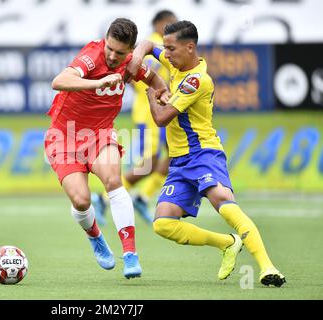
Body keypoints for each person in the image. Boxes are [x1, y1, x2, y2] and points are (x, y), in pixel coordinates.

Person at [127, 20, 286, 286]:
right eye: (165, 48)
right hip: (179, 161)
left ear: (190, 48)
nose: (165, 54)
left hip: (203, 154)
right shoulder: (174, 61)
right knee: (163, 224)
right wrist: (135, 61)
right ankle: (227, 243)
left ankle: (268, 268)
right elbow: (144, 44)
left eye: (171, 49)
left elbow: (162, 118)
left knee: (223, 202)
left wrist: (153, 96)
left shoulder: (197, 80)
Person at [45, 18, 169, 279]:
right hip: (64, 136)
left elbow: (156, 82)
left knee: (114, 180)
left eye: (120, 52)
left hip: (100, 133)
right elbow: (59, 81)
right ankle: (95, 237)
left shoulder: (132, 64)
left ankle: (130, 255)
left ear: (131, 50)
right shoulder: (91, 56)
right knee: (81, 200)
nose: (113, 56)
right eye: (110, 48)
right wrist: (97, 83)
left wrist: (161, 95)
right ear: (105, 40)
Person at [92, 10, 177, 225]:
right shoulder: (158, 43)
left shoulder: (161, 45)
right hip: (150, 110)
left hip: (163, 107)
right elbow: (144, 77)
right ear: (160, 23)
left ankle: (143, 196)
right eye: (170, 23)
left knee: (174, 156)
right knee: (151, 161)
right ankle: (103, 199)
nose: (174, 27)